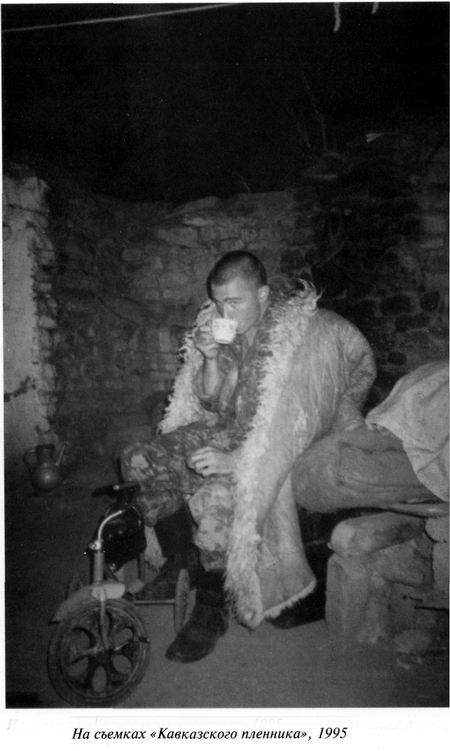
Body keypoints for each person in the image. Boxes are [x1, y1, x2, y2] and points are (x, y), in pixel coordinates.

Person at [121, 251, 377, 662]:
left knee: (215, 497)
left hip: (272, 442)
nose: (224, 313)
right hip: (231, 431)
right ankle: (181, 562)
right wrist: (209, 359)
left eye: (234, 302)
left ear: (262, 294)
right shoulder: (232, 335)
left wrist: (240, 460)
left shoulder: (295, 337)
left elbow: (295, 421)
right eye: (218, 303)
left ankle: (212, 606)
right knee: (138, 460)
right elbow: (212, 402)